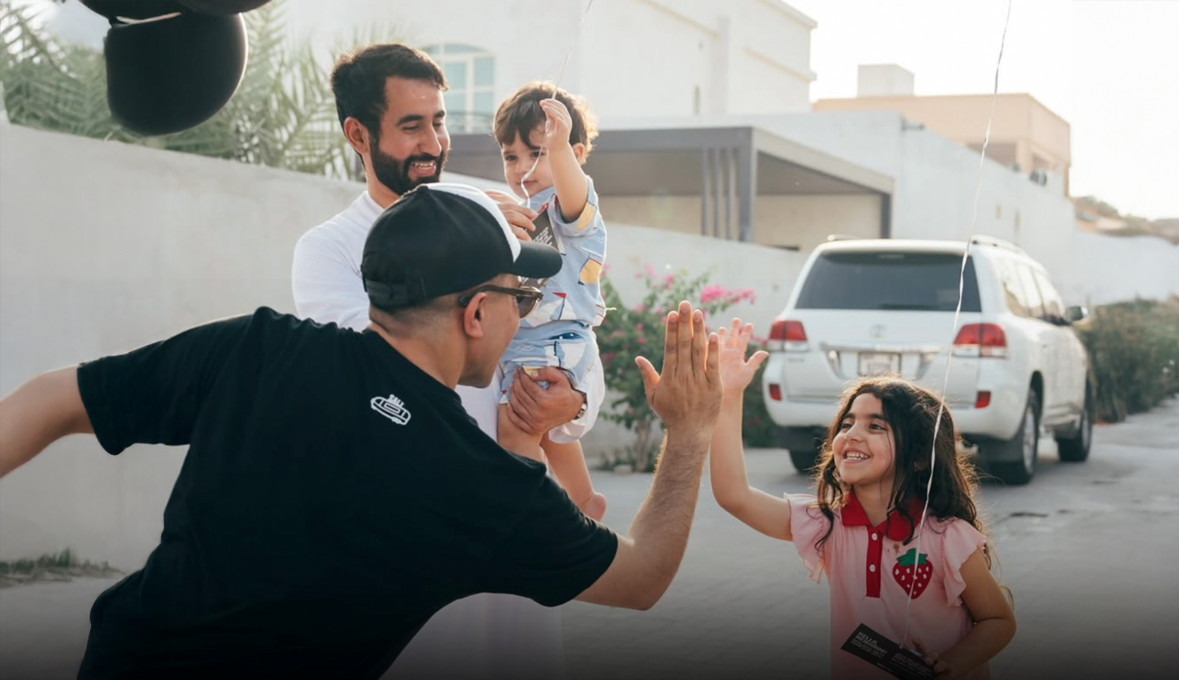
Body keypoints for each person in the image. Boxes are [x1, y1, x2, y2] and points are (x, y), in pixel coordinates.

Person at [0, 183, 724, 680]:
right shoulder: (478, 486)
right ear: (474, 313)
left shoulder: (256, 348)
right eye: (521, 298)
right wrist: (689, 432)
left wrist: (523, 444)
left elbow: (53, 397)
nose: (525, 316)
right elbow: (644, 577)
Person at [289, 43, 598, 679]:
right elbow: (380, 366)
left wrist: (573, 402)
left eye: (439, 121)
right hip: (409, 547)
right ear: (358, 134)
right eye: (411, 126)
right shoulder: (329, 251)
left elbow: (563, 324)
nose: (433, 142)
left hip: (512, 535)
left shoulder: (501, 215)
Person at [707, 320, 1016, 680]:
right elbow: (734, 496)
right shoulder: (828, 524)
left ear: (918, 456)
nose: (851, 435)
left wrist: (951, 664)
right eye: (847, 423)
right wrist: (728, 399)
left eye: (875, 426)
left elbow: (997, 620)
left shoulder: (948, 536)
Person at [491, 82, 608, 521]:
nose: (524, 168)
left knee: (516, 428)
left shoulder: (568, 203)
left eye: (537, 153)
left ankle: (546, 520)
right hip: (535, 341)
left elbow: (574, 195)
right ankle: (583, 500)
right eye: (511, 156)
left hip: (554, 339)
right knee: (548, 434)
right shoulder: (525, 209)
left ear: (575, 154)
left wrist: (558, 152)